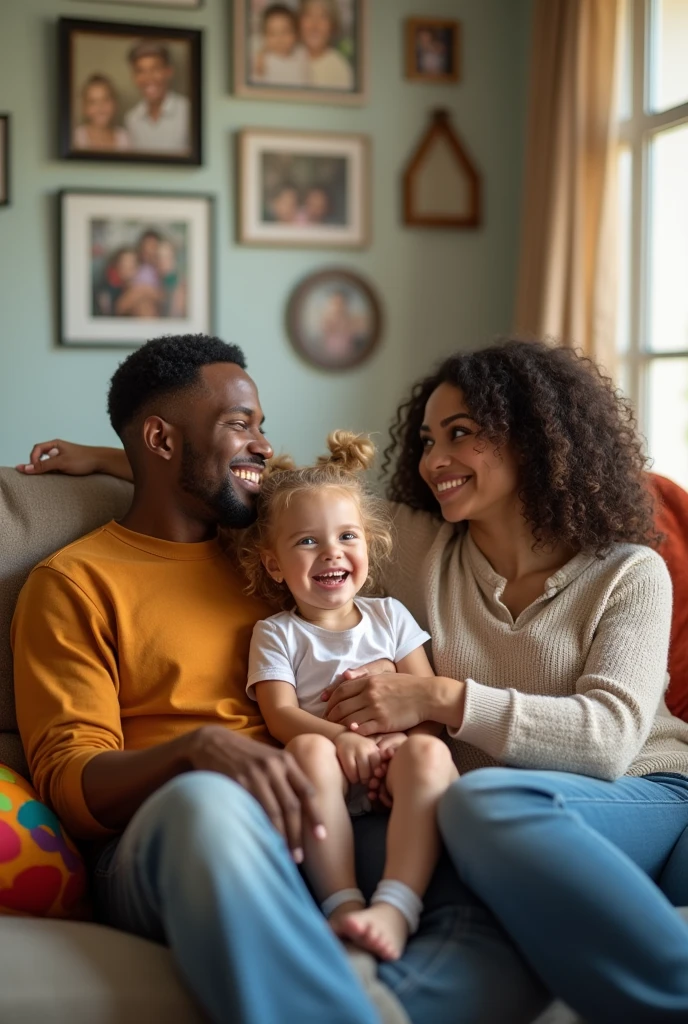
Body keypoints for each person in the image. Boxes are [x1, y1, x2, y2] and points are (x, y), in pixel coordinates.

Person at [20, 336, 688, 1020]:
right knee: (212, 804)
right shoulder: (81, 582)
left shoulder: (289, 551)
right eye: (240, 425)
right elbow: (71, 778)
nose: (433, 461)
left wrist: (429, 706)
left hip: (372, 800)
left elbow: (300, 488)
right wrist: (198, 753)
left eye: (261, 424)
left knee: (476, 878)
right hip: (203, 817)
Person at [239, 431, 456, 961]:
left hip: (395, 771)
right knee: (306, 749)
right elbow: (280, 714)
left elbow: (425, 702)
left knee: (431, 749)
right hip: (328, 771)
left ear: (368, 545)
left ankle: (396, 907)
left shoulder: (391, 616)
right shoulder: (277, 633)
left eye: (347, 537)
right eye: (307, 541)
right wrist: (342, 741)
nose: (331, 552)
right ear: (273, 564)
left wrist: (398, 748)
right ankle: (341, 902)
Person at [124, 41, 190, 154]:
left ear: (168, 72)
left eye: (155, 69)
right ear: (133, 77)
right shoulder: (131, 119)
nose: (148, 78)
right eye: (140, 71)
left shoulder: (188, 111)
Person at [299, 0, 354, 91]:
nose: (314, 25)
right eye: (308, 16)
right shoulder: (287, 57)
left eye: (323, 17)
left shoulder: (340, 68)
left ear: (333, 25)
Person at [252, 4, 308, 86]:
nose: (279, 39)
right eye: (272, 33)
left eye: (285, 32)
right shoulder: (262, 61)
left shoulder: (301, 53)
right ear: (264, 36)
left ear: (296, 34)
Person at [73, 74, 130, 152]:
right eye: (93, 102)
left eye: (106, 99)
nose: (100, 107)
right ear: (84, 108)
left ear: (115, 103)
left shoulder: (125, 138)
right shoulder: (76, 138)